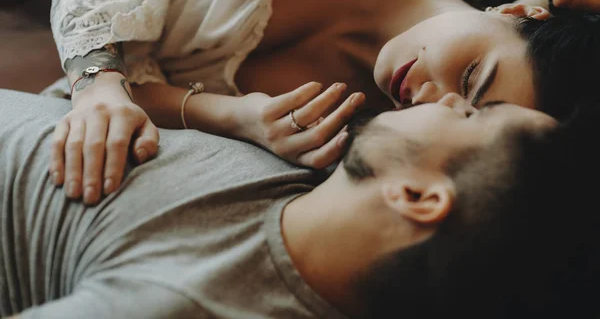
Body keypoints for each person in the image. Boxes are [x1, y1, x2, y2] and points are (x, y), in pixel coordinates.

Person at [48, 0, 600, 205]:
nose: (430, 102)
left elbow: (133, 107)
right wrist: (98, 84)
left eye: (465, 115)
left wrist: (235, 118)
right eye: (473, 77)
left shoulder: (342, 138)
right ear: (519, 11)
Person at [0, 88, 597, 319]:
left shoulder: (184, 302)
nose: (445, 96)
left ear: (416, 196)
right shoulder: (307, 173)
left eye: (471, 113)